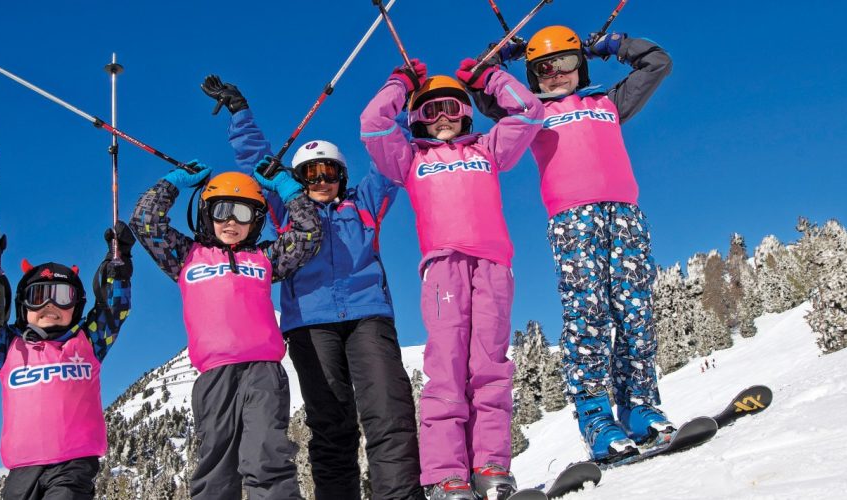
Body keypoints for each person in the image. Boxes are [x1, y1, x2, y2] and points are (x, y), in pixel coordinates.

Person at [200, 75, 422, 500]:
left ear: (342, 175)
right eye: (310, 174)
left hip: (368, 318)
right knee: (331, 419)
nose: (321, 180)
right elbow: (257, 161)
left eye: (330, 172)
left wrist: (408, 108)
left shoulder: (365, 203)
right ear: (298, 180)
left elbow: (393, 160)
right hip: (309, 324)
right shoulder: (288, 212)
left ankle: (400, 495)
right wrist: (239, 112)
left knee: (388, 412)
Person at [483, 26, 674, 462]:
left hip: (624, 214)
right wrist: (506, 53)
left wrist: (609, 45)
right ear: (532, 76)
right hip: (573, 218)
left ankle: (640, 406)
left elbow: (657, 62)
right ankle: (595, 416)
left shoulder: (607, 103)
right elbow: (481, 80)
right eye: (542, 68)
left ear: (580, 66)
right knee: (588, 310)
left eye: (565, 63)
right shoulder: (528, 114)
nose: (555, 74)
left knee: (635, 311)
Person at [360, 56, 542, 500]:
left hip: (494, 267)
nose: (442, 118)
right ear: (416, 119)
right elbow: (373, 122)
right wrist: (400, 83)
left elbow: (528, 111)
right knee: (447, 367)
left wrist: (489, 79)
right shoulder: (409, 161)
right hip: (443, 269)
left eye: (452, 108)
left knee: (490, 366)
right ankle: (444, 475)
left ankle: (491, 466)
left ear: (467, 112)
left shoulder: (488, 150)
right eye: (430, 110)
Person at [129, 162, 321, 500]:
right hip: (215, 375)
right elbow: (145, 222)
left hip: (263, 373)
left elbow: (307, 234)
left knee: (268, 456)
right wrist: (173, 182)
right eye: (222, 211)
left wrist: (287, 189)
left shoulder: (265, 258)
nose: (231, 222)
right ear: (206, 213)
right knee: (216, 464)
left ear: (256, 221)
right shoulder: (186, 256)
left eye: (243, 214)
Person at [0, 222, 134, 500]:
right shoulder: (8, 348)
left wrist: (119, 265)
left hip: (73, 465)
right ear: (23, 305)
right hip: (22, 470)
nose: (50, 305)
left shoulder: (89, 341)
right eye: (39, 296)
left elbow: (113, 309)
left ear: (76, 307)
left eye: (63, 297)